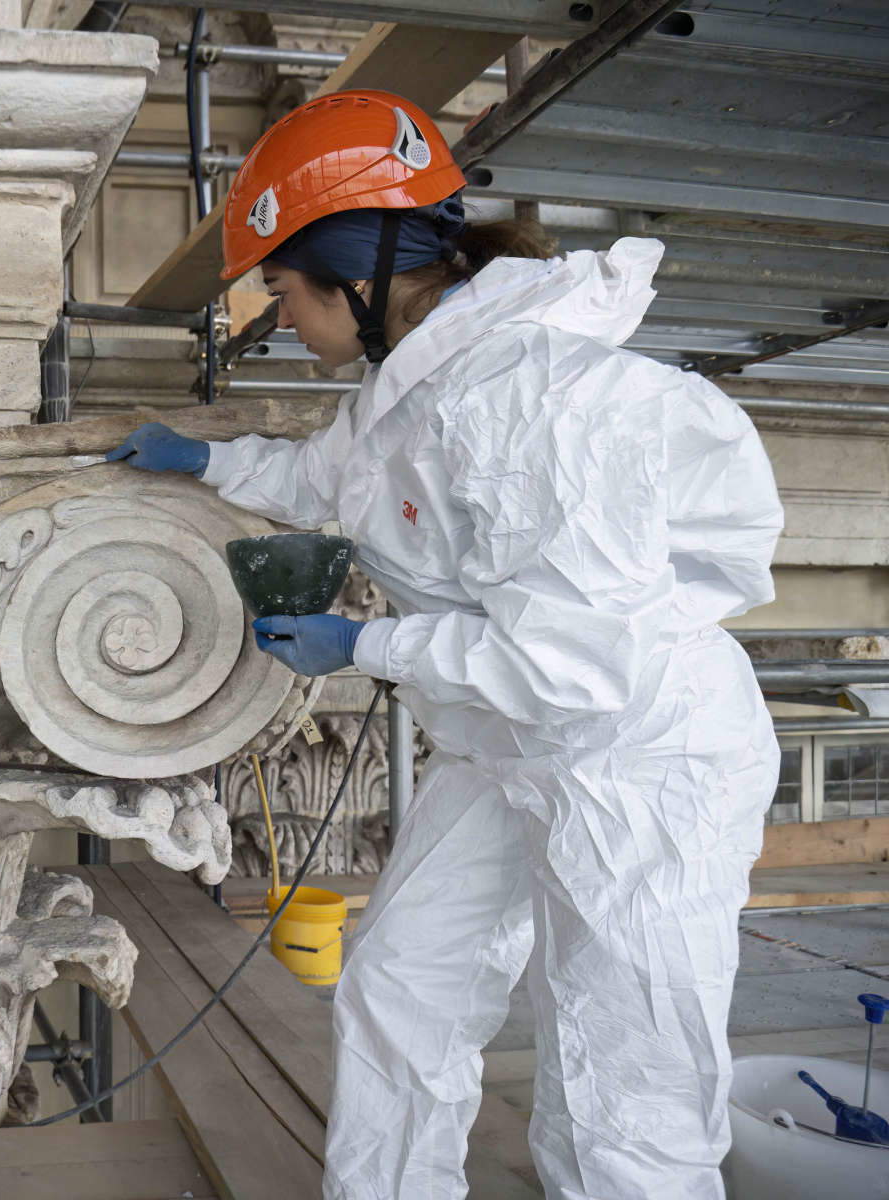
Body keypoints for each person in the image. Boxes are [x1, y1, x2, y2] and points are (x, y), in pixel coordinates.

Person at [107, 90, 784, 1200]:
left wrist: (364, 646)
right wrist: (204, 461)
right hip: (516, 749)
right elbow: (331, 477)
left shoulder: (542, 407)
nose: (283, 319)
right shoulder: (411, 392)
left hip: (633, 761)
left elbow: (571, 660)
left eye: (283, 291)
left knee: (620, 1090)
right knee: (404, 980)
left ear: (351, 272)